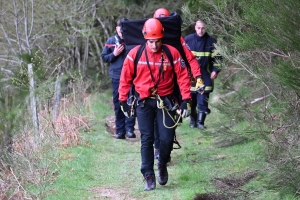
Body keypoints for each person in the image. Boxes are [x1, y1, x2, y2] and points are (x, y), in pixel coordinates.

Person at [118, 18, 192, 191]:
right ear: (145, 38)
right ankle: (148, 174)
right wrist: (123, 101)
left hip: (165, 102)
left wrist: (185, 100)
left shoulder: (172, 53)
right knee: (147, 138)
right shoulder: (135, 54)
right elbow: (125, 78)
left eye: (157, 41)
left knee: (166, 139)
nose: (154, 45)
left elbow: (182, 76)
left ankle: (162, 162)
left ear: (162, 38)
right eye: (151, 41)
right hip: (143, 102)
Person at [152, 8, 204, 160]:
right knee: (154, 118)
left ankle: (166, 147)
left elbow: (191, 59)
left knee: (171, 116)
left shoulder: (177, 39)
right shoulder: (149, 39)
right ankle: (157, 148)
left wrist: (198, 77)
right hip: (153, 86)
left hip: (173, 85)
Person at [101, 19, 136, 139]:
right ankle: (120, 131)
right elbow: (104, 57)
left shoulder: (132, 40)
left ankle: (130, 129)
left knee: (131, 101)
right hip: (116, 76)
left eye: (124, 28)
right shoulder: (111, 41)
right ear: (116, 28)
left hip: (131, 77)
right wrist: (114, 54)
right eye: (120, 28)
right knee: (118, 103)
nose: (122, 31)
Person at [184, 19, 222, 129]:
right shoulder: (188, 40)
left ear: (206, 28)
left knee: (203, 99)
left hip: (205, 74)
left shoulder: (211, 41)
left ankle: (200, 122)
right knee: (191, 101)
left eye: (203, 28)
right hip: (190, 76)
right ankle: (193, 120)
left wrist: (215, 70)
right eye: (199, 28)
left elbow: (218, 58)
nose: (201, 31)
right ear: (195, 27)